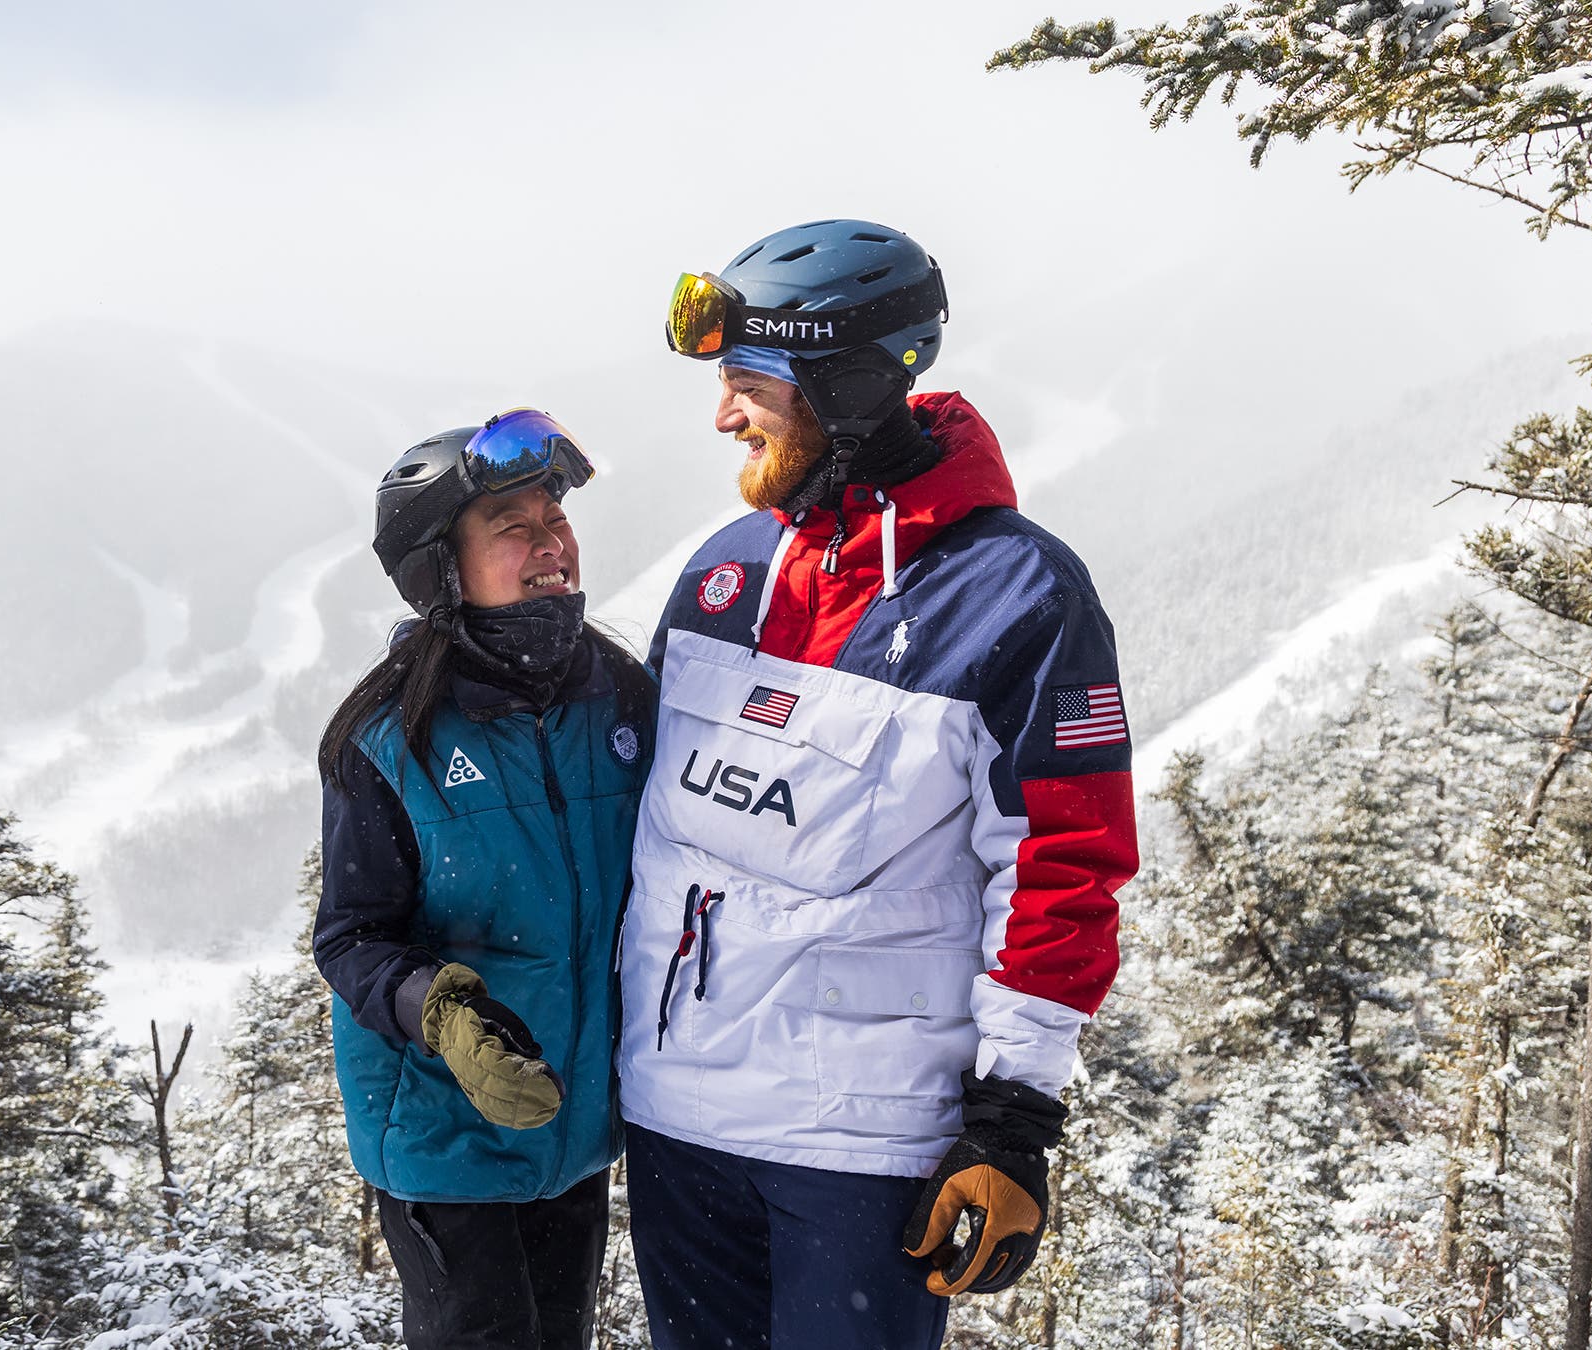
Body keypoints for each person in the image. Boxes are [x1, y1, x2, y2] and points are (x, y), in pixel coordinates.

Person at [620, 221, 1140, 1349]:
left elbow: (1063, 864)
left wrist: (1011, 1124)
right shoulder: (726, 569)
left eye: (750, 385)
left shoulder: (1017, 594)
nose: (724, 415)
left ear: (849, 390)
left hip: (859, 1154)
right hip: (674, 1126)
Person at [314, 408, 655, 1350]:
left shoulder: (620, 699)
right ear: (442, 568)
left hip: (574, 1126)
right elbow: (350, 937)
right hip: (445, 1134)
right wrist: (445, 1015)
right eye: (514, 526)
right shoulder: (389, 738)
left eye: (556, 518)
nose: (551, 543)